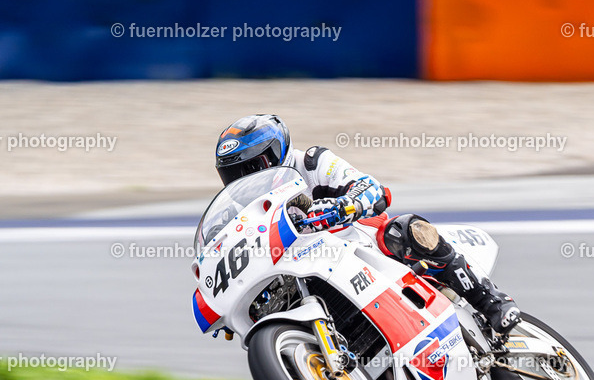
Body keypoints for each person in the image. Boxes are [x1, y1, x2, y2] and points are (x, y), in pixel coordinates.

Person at [213, 114, 520, 332]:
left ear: (275, 152)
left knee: (406, 229)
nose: (246, 180)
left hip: (359, 242)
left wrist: (345, 204)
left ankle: (490, 300)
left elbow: (370, 187)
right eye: (234, 175)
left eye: (254, 167)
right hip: (306, 270)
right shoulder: (245, 212)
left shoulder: (311, 162)